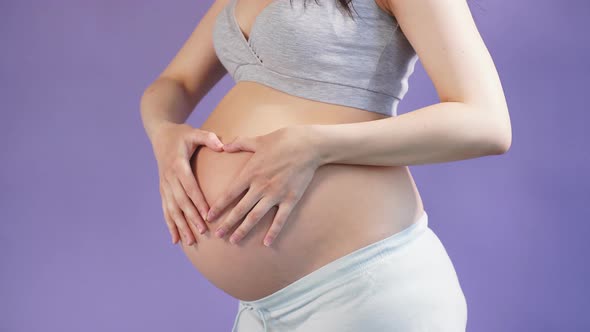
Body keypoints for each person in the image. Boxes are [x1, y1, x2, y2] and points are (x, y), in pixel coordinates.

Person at [140, 0, 511, 330]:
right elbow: (176, 82)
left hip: (365, 291)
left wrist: (315, 145)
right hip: (263, 312)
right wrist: (164, 134)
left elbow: (486, 122)